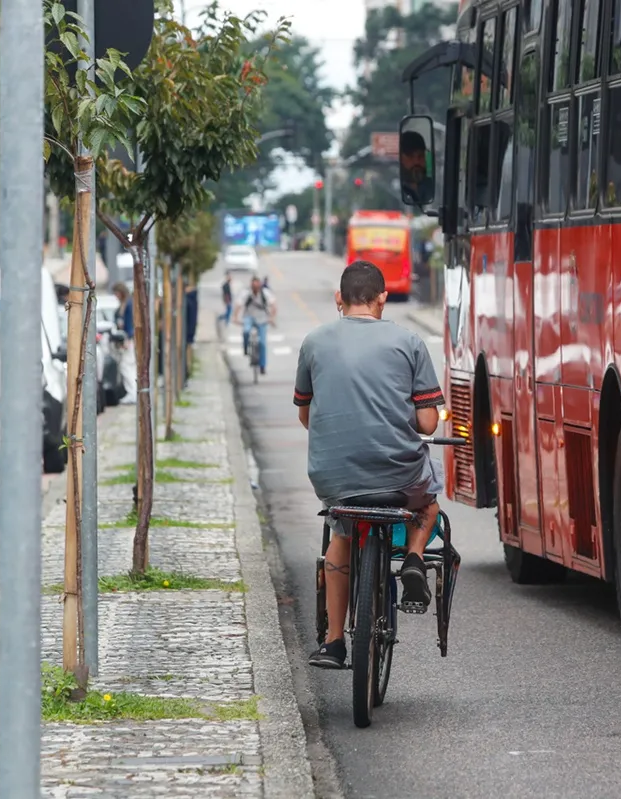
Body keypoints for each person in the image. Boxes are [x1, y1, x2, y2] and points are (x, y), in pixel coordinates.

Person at [296, 260, 445, 669]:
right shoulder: (410, 342)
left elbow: (306, 416)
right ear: (383, 298)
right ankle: (414, 557)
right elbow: (429, 422)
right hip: (398, 473)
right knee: (428, 497)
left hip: (333, 475)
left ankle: (332, 643)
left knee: (340, 534)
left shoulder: (314, 341)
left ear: (338, 300)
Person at [232, 276, 276, 374]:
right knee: (246, 331)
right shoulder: (246, 293)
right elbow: (238, 305)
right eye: (254, 285)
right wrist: (235, 317)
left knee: (262, 343)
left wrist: (272, 318)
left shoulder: (265, 293)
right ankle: (245, 348)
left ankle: (262, 365)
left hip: (262, 318)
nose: (255, 287)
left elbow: (273, 305)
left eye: (257, 285)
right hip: (249, 317)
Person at [112, 282, 136, 394]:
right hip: (126, 338)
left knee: (126, 365)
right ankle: (132, 391)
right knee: (129, 365)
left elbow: (130, 324)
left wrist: (128, 339)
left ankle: (132, 391)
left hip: (129, 339)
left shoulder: (128, 305)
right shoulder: (124, 305)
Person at [399, 130, 428, 202]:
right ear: (401, 159)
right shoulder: (398, 189)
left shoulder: (432, 188)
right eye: (410, 156)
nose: (416, 161)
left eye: (420, 156)